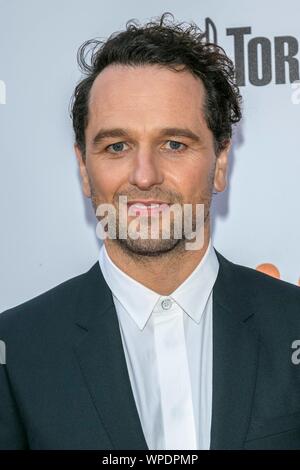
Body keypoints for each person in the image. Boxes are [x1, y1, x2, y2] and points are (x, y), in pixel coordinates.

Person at [0, 12, 300, 450]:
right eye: (117, 146)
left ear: (219, 163)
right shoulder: (16, 353)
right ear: (84, 168)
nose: (144, 175)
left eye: (174, 144)